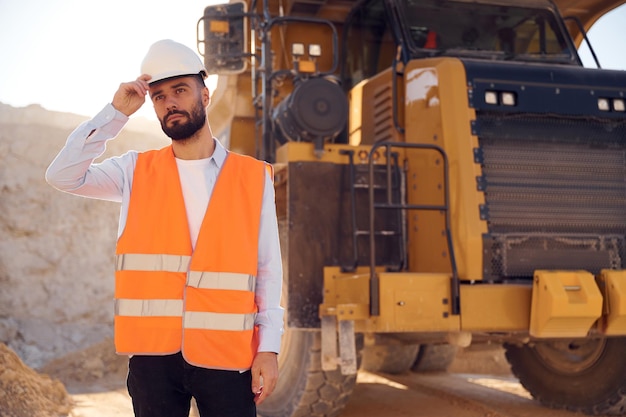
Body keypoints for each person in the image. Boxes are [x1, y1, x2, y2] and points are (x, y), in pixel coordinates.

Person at [45, 39, 284, 417]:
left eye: (180, 90)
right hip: (153, 361)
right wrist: (114, 114)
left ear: (205, 96)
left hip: (226, 358)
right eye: (158, 96)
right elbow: (62, 176)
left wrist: (268, 347)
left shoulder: (253, 177)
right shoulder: (134, 171)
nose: (169, 102)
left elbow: (268, 269)